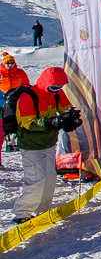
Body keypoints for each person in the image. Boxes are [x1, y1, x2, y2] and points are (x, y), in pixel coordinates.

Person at [12, 67, 83, 223]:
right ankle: (22, 213)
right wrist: (51, 122)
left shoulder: (57, 94)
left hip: (49, 143)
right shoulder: (28, 97)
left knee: (50, 178)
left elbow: (65, 107)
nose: (56, 90)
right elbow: (27, 122)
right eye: (53, 87)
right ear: (46, 83)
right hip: (31, 146)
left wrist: (71, 118)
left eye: (59, 87)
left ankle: (41, 209)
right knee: (36, 179)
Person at [1, 52, 30, 164]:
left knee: (18, 120)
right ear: (4, 63)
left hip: (17, 98)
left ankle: (17, 141)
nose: (10, 65)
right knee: (6, 121)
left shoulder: (20, 72)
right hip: (4, 100)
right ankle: (8, 142)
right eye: (8, 63)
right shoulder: (1, 73)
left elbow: (26, 83)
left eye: (12, 63)